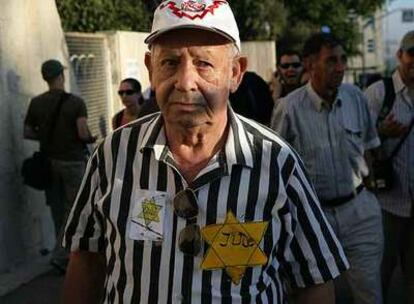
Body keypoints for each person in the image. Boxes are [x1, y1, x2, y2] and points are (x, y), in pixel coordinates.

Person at [62, 1, 349, 303]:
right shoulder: (112, 155)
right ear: (150, 69)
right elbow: (86, 260)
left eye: (204, 64)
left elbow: (313, 281)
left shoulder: (276, 162)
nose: (186, 82)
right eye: (170, 63)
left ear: (236, 73)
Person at [271, 33, 383, 304]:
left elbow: (369, 147)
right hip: (312, 217)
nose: (341, 67)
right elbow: (274, 168)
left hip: (359, 212)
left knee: (368, 292)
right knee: (317, 294)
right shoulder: (288, 109)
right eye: (331, 60)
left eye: (343, 59)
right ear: (310, 64)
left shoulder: (356, 98)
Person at [24, 59, 96, 272]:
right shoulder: (75, 103)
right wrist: (91, 139)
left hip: (48, 163)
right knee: (75, 209)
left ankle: (63, 252)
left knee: (57, 210)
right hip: (73, 162)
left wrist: (46, 136)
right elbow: (82, 133)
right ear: (60, 76)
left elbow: (27, 132)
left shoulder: (36, 103)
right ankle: (62, 254)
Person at [365, 30, 414, 303]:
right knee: (379, 276)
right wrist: (380, 131)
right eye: (411, 54)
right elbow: (355, 139)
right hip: (386, 204)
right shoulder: (378, 93)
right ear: (400, 56)